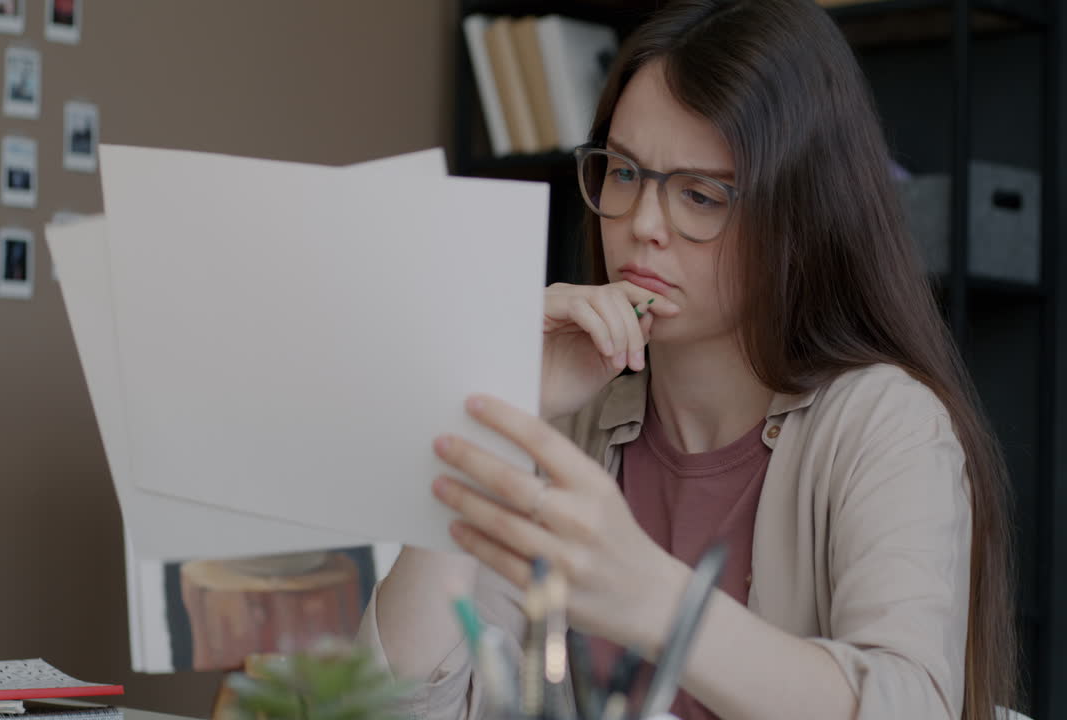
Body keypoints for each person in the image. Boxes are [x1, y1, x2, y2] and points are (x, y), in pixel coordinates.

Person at [358, 1, 1018, 719]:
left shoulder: (886, 425)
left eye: (700, 195)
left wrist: (650, 593)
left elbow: (911, 705)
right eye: (625, 174)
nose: (642, 227)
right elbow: (392, 710)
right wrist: (498, 405)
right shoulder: (570, 421)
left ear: (801, 213)